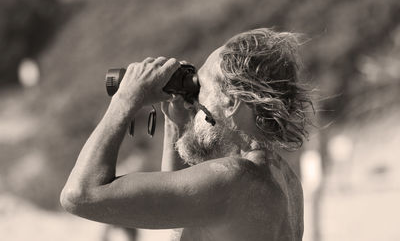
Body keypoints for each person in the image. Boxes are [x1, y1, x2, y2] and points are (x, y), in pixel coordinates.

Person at [60, 28, 312, 241]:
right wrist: (176, 123)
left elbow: (80, 194)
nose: (194, 100)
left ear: (231, 101)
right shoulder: (285, 181)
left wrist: (126, 99)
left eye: (200, 87)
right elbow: (179, 218)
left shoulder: (235, 179)